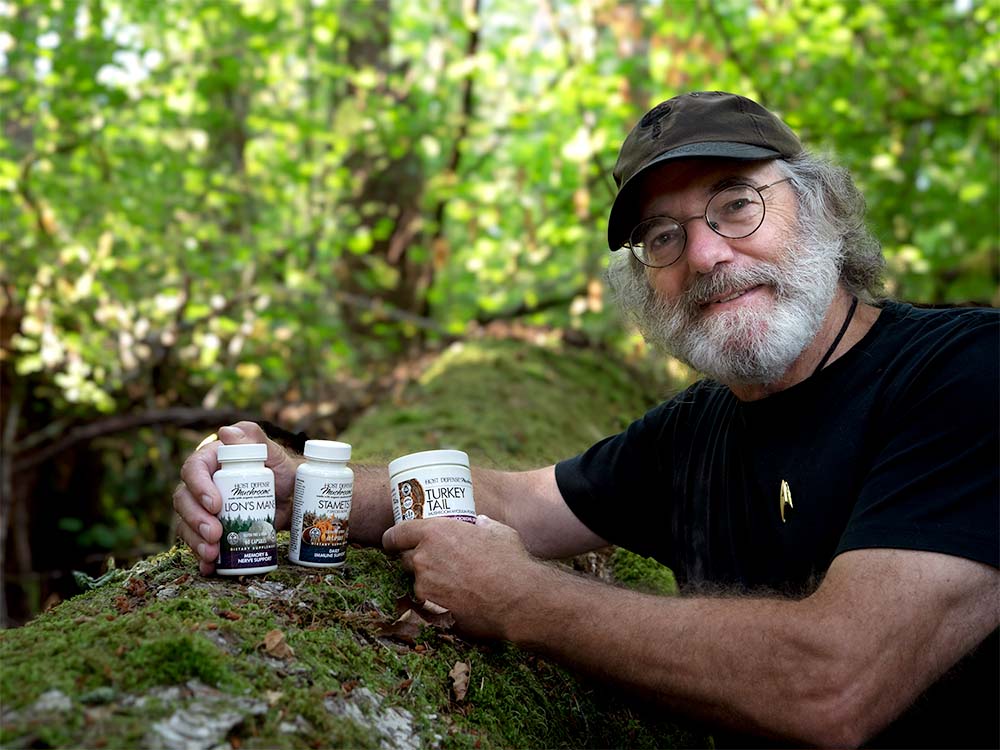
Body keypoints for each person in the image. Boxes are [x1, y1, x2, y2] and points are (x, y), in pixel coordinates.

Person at [173, 91, 999, 748]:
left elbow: (836, 685)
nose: (706, 255)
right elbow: (521, 501)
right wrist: (294, 485)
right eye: (663, 238)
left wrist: (523, 599)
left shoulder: (964, 373)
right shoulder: (694, 433)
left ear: (818, 211)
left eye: (738, 205)